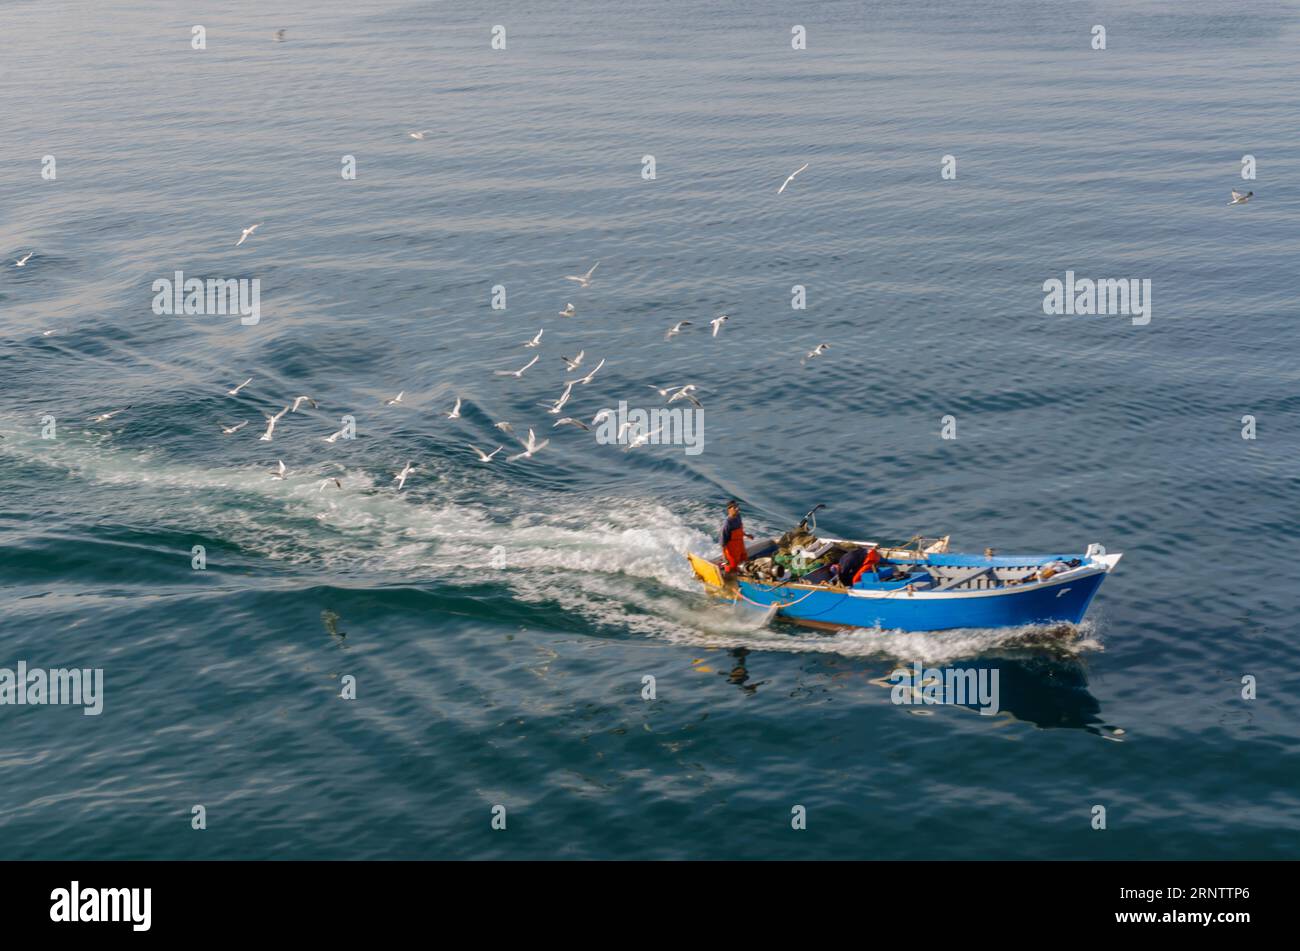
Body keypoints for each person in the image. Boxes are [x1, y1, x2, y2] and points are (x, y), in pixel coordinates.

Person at [719, 500, 754, 572]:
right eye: (734, 508)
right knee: (731, 569)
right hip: (731, 552)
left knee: (745, 563)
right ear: (729, 510)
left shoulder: (738, 516)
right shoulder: (727, 524)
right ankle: (721, 565)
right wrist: (725, 557)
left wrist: (747, 535)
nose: (737, 509)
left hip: (740, 546)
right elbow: (722, 543)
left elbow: (739, 530)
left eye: (737, 506)